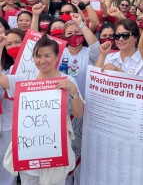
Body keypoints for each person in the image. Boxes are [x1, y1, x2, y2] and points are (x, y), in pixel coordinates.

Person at [0, 34, 84, 185]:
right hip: (29, 152)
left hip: (55, 152)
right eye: (38, 56)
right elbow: (1, 79)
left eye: (47, 55)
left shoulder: (68, 81)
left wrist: (73, 91)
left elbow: (78, 113)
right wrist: (0, 47)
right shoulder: (26, 79)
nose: (42, 61)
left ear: (57, 56)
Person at [60, 13, 100, 97]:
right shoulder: (59, 52)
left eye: (77, 32)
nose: (73, 35)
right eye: (69, 33)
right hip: (62, 101)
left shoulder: (89, 52)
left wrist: (80, 24)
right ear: (64, 36)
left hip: (84, 102)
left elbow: (96, 47)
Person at [0, 26, 17, 185]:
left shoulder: (37, 66)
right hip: (6, 121)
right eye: (9, 44)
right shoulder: (5, 68)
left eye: (17, 42)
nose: (13, 47)